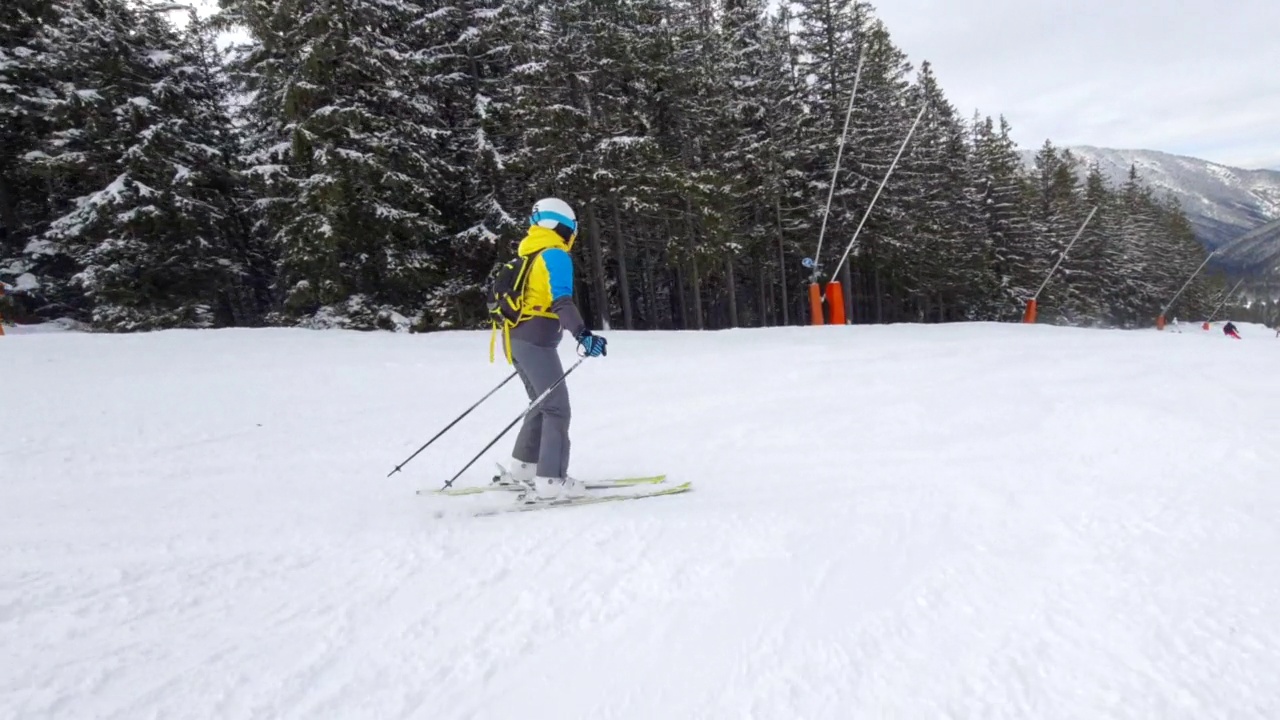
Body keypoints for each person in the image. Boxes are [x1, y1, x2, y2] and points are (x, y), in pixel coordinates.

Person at [496, 198, 607, 501]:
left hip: (516, 339)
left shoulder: (529, 253)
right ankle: (551, 481)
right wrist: (582, 334)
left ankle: (523, 466)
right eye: (573, 228)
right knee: (557, 408)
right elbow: (562, 301)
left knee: (541, 402)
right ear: (563, 226)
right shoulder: (554, 255)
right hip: (535, 342)